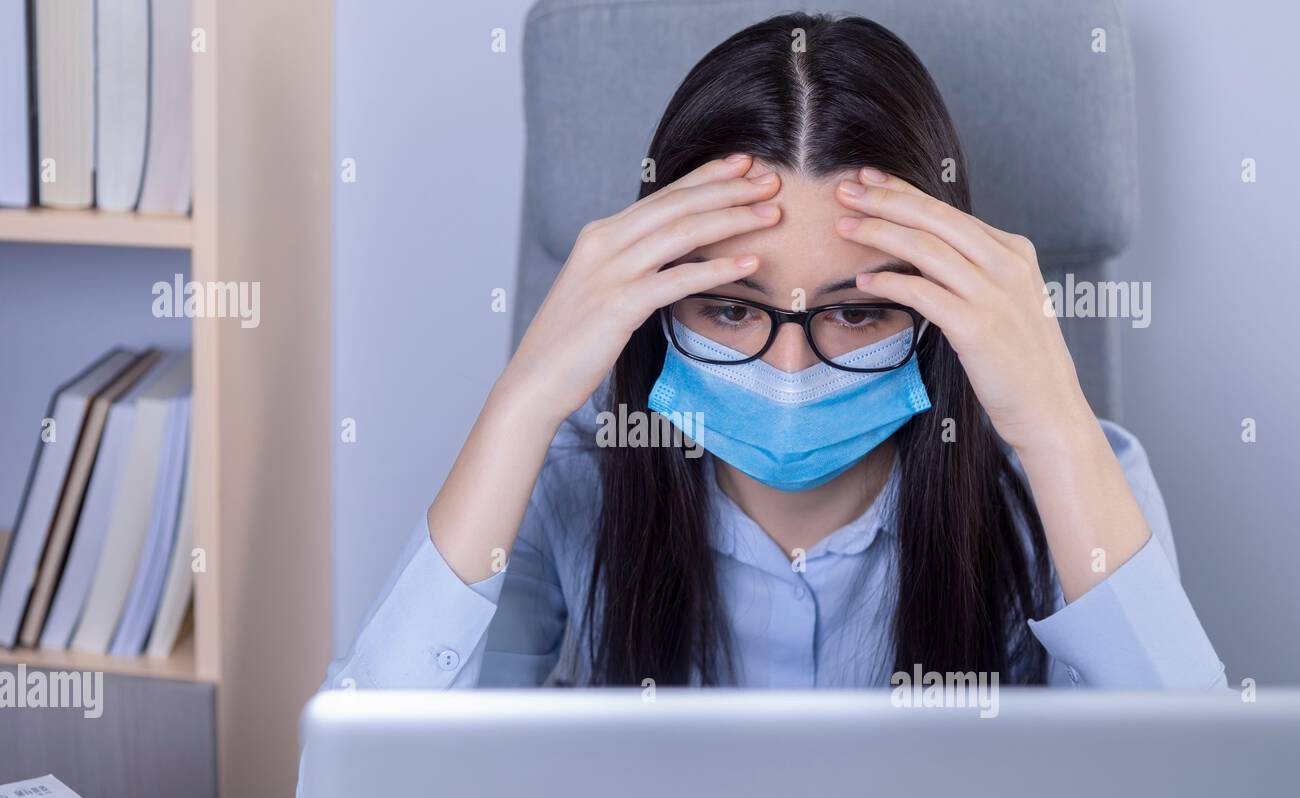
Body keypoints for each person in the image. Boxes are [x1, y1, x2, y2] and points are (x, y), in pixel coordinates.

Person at [312, 12, 1225, 701]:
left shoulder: (1074, 485)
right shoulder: (571, 486)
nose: (789, 373)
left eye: (859, 313)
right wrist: (523, 402)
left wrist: (1054, 425)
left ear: (940, 316)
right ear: (656, 304)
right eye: (729, 309)